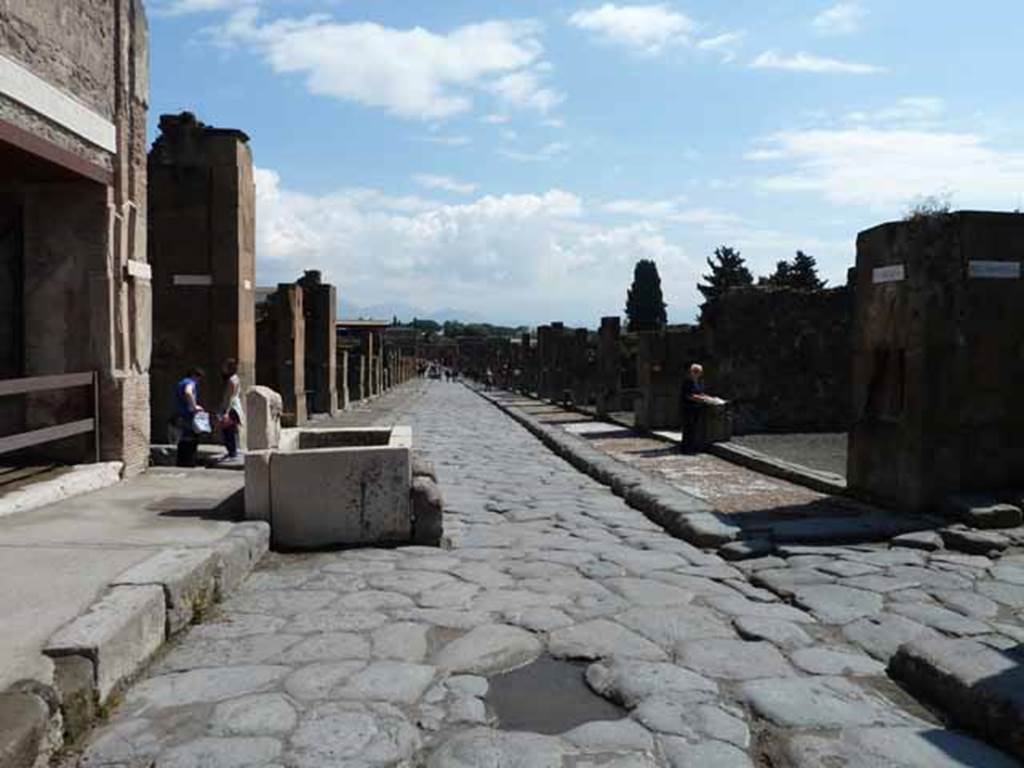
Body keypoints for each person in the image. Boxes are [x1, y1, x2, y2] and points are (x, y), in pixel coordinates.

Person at [174, 367, 205, 467]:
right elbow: (188, 392)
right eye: (198, 378)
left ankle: (182, 461)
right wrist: (194, 406)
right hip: (188, 415)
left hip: (180, 413)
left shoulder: (181, 383)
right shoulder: (190, 382)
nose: (198, 381)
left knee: (183, 439)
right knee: (191, 438)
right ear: (194, 376)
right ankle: (190, 461)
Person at [680, 363, 713, 453]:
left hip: (697, 407)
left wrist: (707, 397)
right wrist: (701, 398)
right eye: (696, 371)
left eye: (699, 372)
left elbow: (700, 392)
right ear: (692, 372)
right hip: (688, 408)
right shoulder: (687, 381)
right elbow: (688, 395)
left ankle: (694, 446)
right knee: (688, 428)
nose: (698, 373)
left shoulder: (700, 381)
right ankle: (686, 448)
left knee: (695, 428)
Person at [217, 358, 243, 461]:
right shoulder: (236, 378)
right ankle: (233, 451)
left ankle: (232, 452)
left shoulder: (232, 380)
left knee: (228, 431)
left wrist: (225, 412)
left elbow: (229, 397)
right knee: (231, 430)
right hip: (234, 406)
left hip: (231, 407)